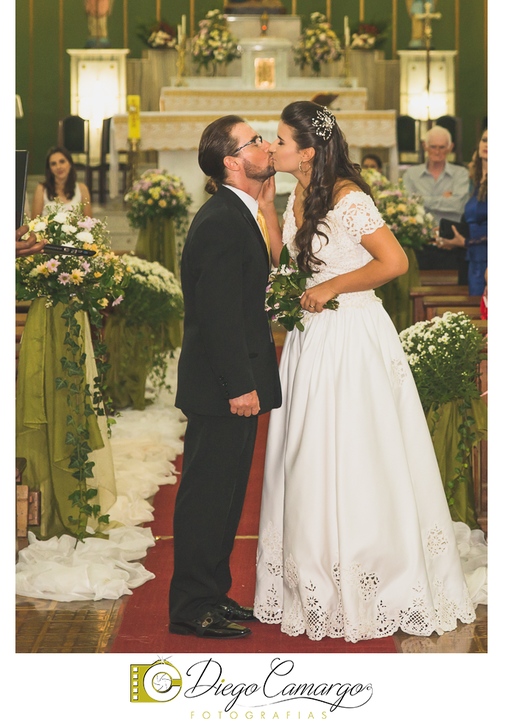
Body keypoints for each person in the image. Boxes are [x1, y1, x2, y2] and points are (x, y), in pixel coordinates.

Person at [253, 101, 477, 642]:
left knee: (355, 451)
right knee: (309, 452)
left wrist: (331, 287)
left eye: (281, 141)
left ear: (307, 152)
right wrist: (265, 209)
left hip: (352, 337)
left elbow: (392, 262)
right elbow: (292, 260)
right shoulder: (295, 192)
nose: (272, 147)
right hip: (311, 342)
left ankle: (373, 571)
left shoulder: (350, 199)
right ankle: (316, 573)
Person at [169, 115, 282, 639]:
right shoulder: (219, 219)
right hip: (222, 386)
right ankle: (192, 606)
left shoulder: (241, 213)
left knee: (228, 495)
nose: (265, 145)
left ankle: (214, 593)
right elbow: (216, 314)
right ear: (231, 161)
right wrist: (240, 383)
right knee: (206, 496)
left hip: (232, 381)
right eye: (255, 141)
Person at [401, 125, 469, 275]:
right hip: (419, 246)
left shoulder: (461, 174)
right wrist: (444, 200)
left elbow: (458, 205)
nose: (437, 152)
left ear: (450, 147)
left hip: (451, 246)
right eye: (433, 147)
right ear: (425, 146)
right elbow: (407, 207)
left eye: (442, 147)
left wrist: (420, 200)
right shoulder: (411, 174)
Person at [438, 130, 488, 295]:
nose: (487, 144)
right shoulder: (478, 183)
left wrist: (465, 242)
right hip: (473, 259)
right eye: (484, 139)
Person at [31, 147, 92, 219]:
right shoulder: (41, 190)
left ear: (70, 164)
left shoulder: (82, 189)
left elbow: (89, 223)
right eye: (53, 164)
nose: (58, 167)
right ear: (49, 168)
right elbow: (34, 224)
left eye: (62, 162)